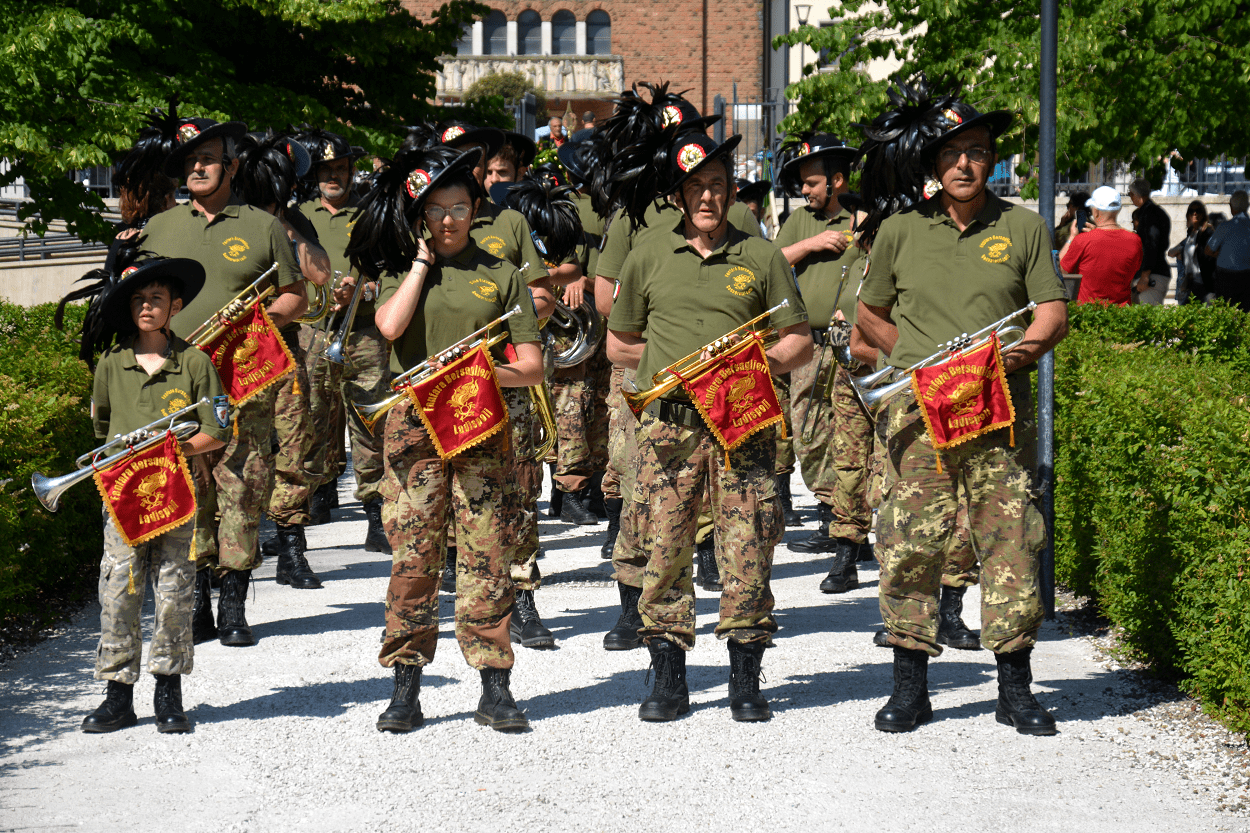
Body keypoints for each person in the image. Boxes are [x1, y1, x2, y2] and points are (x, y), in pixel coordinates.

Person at [856, 87, 1069, 735]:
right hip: (919, 414)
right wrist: (920, 358)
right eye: (952, 153)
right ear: (933, 162)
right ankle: (910, 687)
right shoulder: (899, 230)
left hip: (997, 410)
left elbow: (1052, 313)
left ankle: (1016, 687)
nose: (964, 165)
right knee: (912, 541)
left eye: (976, 152)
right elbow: (869, 314)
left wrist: (1020, 353)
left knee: (1010, 539)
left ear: (993, 160)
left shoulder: (1024, 226)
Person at [607, 130, 812, 722]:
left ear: (731, 194)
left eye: (717, 186)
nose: (707, 197)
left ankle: (745, 676)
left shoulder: (763, 255)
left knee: (748, 545)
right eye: (695, 186)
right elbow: (619, 342)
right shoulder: (646, 253)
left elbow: (797, 339)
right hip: (670, 425)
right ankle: (669, 677)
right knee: (665, 547)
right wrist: (673, 371)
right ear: (678, 195)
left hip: (742, 421)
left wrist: (747, 368)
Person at [346, 145, 543, 732]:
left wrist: (479, 373)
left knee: (486, 556)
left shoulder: (502, 274)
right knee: (413, 556)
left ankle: (494, 684)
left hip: (481, 426)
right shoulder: (400, 271)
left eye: (459, 206)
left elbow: (531, 366)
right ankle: (406, 686)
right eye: (436, 209)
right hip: (413, 433)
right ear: (420, 217)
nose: (449, 219)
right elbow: (388, 328)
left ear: (476, 208)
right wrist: (420, 265)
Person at [141, 116, 307, 647]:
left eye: (207, 158)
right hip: (175, 382)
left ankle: (234, 597)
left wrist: (255, 322)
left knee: (243, 483)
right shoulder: (157, 228)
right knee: (190, 489)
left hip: (243, 376)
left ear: (230, 166)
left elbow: (295, 297)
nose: (197, 167)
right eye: (190, 160)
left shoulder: (262, 225)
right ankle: (197, 601)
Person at [68, 252, 230, 733]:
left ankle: (168, 692)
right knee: (118, 591)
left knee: (174, 591)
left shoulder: (196, 363)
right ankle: (118, 695)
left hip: (176, 495)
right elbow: (102, 429)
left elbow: (218, 429)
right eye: (138, 299)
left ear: (174, 306)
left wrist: (178, 451)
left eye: (156, 299)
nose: (146, 307)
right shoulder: (111, 365)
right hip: (122, 499)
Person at [233, 130, 333, 590]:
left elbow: (320, 272)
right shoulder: (230, 221)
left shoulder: (291, 222)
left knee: (295, 445)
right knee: (239, 455)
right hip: (234, 353)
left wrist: (283, 224)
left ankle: (292, 547)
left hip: (284, 347)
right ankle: (230, 556)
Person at [774, 134, 872, 596]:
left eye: (812, 183)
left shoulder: (865, 215)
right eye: (803, 185)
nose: (806, 192)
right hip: (809, 346)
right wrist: (811, 243)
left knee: (855, 437)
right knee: (809, 432)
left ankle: (847, 526)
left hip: (853, 344)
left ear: (837, 181)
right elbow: (770, 264)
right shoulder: (799, 221)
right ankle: (832, 507)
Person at [296, 129, 393, 553]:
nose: (334, 176)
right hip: (314, 332)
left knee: (371, 423)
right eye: (326, 170)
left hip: (365, 331)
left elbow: (390, 273)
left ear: (352, 171)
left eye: (341, 168)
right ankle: (312, 499)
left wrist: (364, 291)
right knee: (310, 418)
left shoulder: (373, 212)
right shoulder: (297, 218)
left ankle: (375, 512)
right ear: (315, 175)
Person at [1058, 185, 1142, 306]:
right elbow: (1133, 271)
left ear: (1096, 212)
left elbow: (1060, 272)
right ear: (1118, 210)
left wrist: (1071, 238)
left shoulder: (1082, 240)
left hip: (1090, 315)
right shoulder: (1135, 240)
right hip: (1122, 314)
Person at [1205, 189, 1250, 311]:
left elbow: (1208, 250)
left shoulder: (1225, 227)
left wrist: (1222, 254)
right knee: (1246, 313)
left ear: (1232, 207)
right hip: (1247, 275)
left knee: (1225, 312)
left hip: (1226, 276)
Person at [1128, 178, 1172, 304]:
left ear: (1135, 194)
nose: (1131, 198)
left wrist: (1145, 276)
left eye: (1131, 194)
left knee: (1148, 318)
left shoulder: (1150, 214)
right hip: (1150, 273)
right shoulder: (1151, 212)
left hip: (1152, 275)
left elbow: (1152, 245)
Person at [1168, 200, 1216, 305]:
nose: (1195, 213)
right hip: (1192, 285)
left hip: (1206, 285)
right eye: (1192, 211)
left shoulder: (1208, 232)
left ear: (1203, 214)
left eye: (1198, 211)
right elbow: (1171, 253)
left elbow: (1210, 256)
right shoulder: (1191, 234)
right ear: (1188, 215)